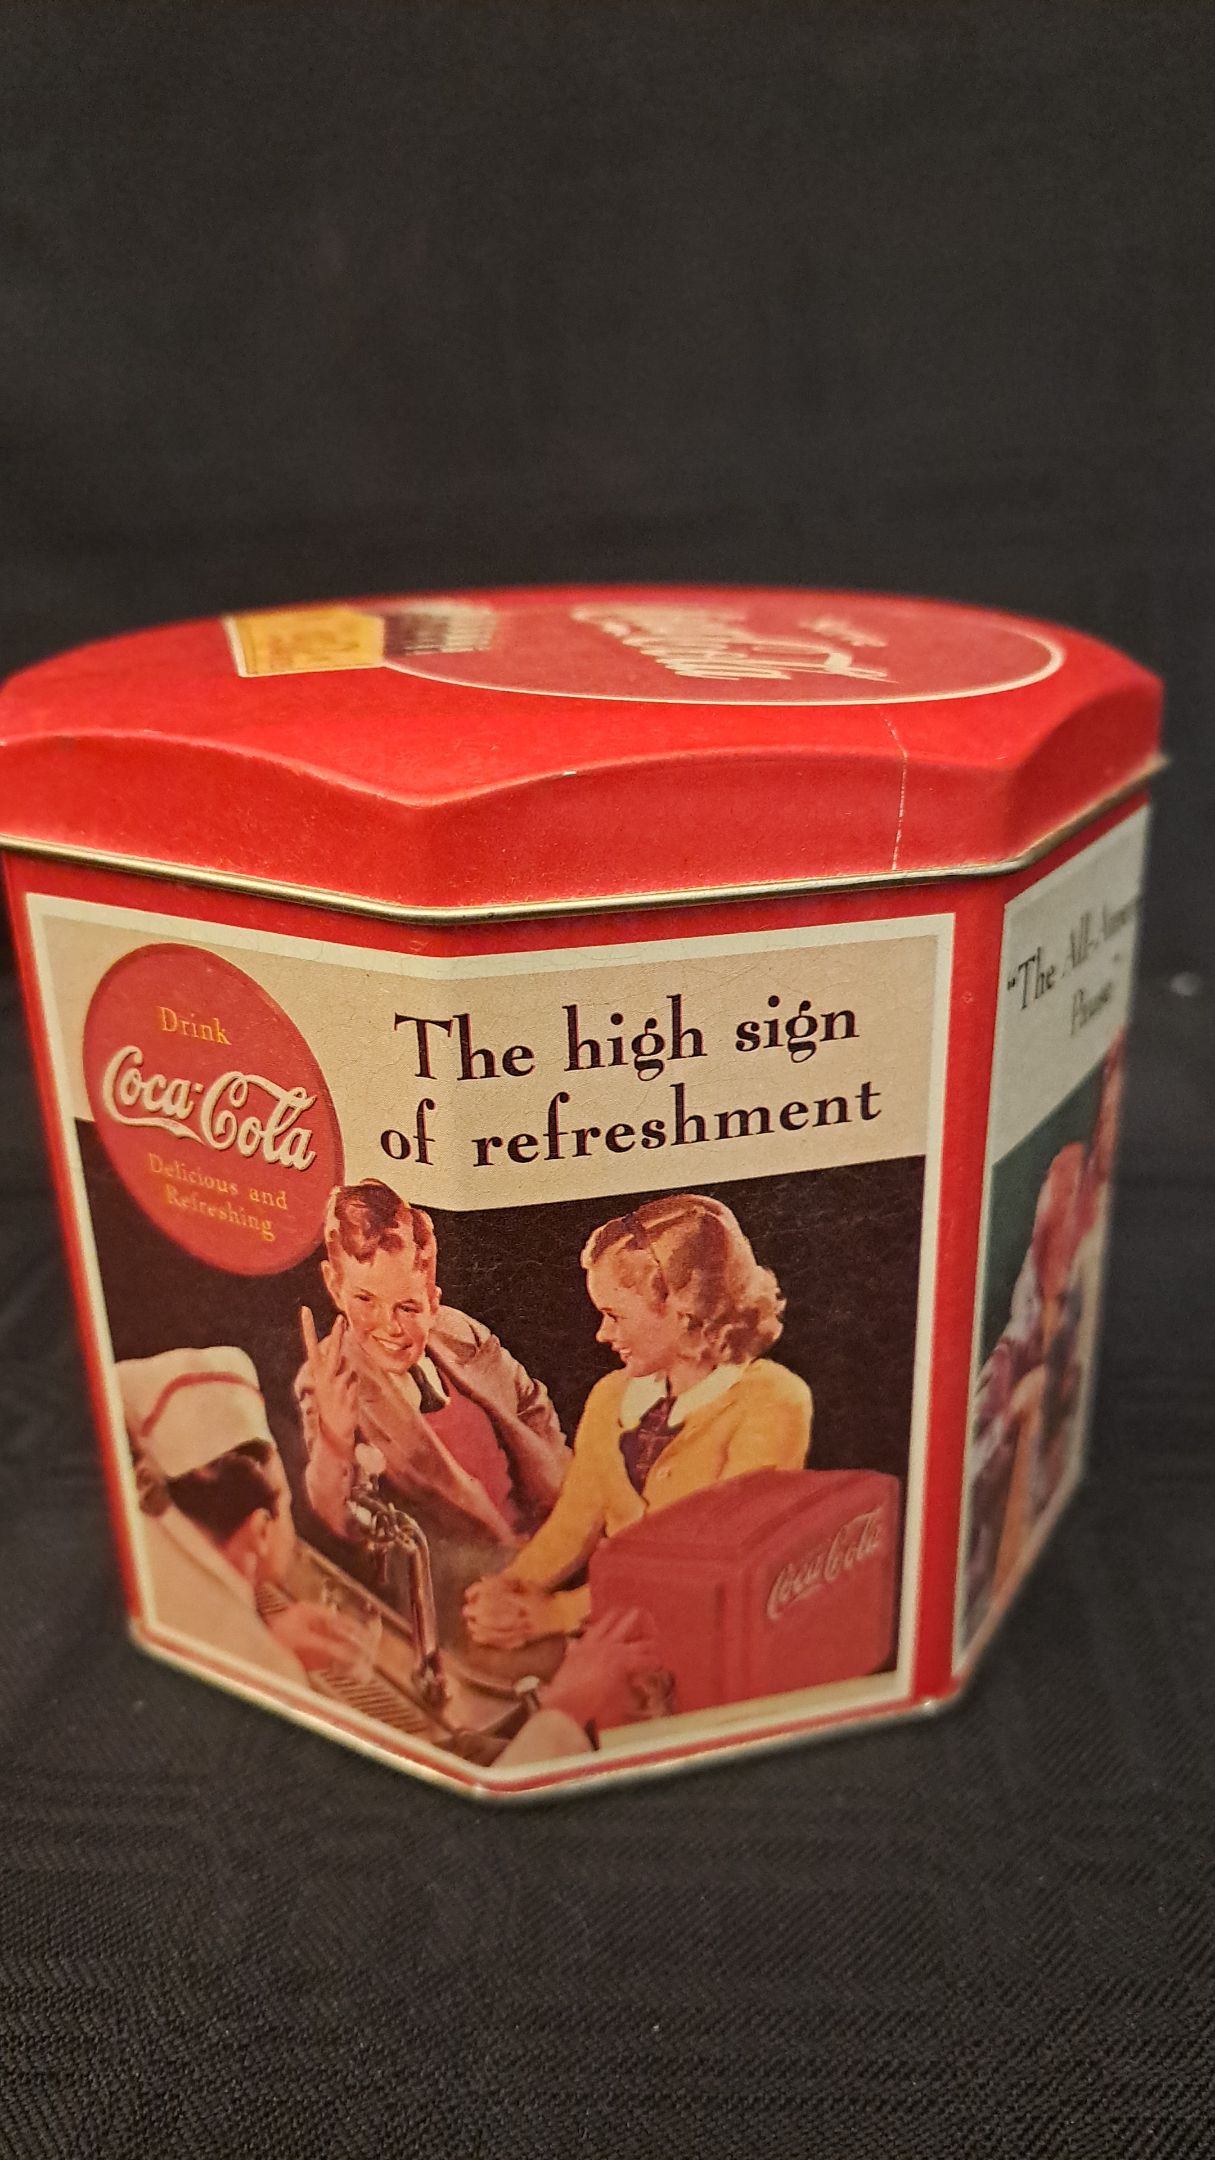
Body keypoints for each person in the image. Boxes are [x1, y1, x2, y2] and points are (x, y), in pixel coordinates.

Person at [465, 1193, 812, 1651]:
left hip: (715, 1641)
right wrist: (513, 1587)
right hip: (617, 1636)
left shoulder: (772, 1400)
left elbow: (711, 1565)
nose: (603, 1334)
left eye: (614, 1315)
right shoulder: (611, 1396)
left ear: (684, 1310)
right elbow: (574, 1524)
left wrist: (558, 1614)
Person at [295, 1179, 568, 1642]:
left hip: (561, 1550)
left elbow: (533, 1411)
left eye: (408, 1306)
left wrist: (568, 1531)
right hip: (470, 1606)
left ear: (434, 1299)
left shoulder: (461, 1333)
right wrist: (335, 1442)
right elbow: (336, 1522)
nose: (389, 1326)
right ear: (334, 1285)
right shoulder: (326, 1380)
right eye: (365, 1300)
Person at [119, 1346, 370, 1687]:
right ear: (261, 1530)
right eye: (286, 1504)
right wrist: (273, 1655)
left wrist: (275, 1640)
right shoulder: (270, 1668)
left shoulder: (143, 1543)